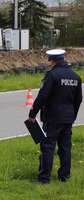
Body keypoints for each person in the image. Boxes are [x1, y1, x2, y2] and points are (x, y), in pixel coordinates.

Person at [28, 49, 82, 184]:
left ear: (52, 61)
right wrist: (72, 115)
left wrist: (32, 113)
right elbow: (79, 99)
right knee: (65, 148)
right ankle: (64, 176)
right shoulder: (76, 77)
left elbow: (42, 96)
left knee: (47, 147)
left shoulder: (52, 75)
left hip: (52, 118)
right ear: (63, 59)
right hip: (68, 118)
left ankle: (43, 179)